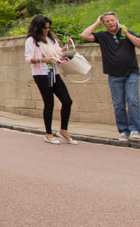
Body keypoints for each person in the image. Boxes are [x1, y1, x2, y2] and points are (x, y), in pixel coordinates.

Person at [80, 12, 140, 141]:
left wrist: (127, 33)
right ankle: (123, 131)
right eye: (107, 21)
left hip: (131, 74)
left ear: (117, 20)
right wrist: (96, 23)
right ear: (104, 23)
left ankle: (135, 130)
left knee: (133, 101)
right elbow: (84, 35)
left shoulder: (126, 33)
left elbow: (139, 44)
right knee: (118, 104)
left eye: (112, 20)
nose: (110, 23)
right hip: (114, 76)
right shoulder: (102, 36)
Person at [24, 15, 76, 145]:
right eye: (44, 27)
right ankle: (48, 134)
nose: (47, 30)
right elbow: (28, 59)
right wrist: (43, 60)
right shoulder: (31, 41)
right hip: (41, 74)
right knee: (49, 103)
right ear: (37, 27)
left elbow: (57, 52)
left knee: (67, 101)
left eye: (48, 27)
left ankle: (63, 131)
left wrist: (66, 46)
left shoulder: (50, 39)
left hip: (54, 72)